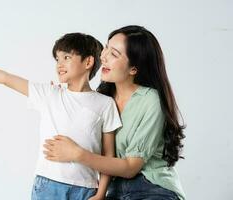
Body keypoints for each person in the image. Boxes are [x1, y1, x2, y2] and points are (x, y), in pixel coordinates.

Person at [0, 32, 122, 200]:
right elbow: (4, 78)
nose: (59, 64)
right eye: (57, 59)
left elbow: (108, 155)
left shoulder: (105, 104)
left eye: (66, 58)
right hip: (48, 186)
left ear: (88, 62)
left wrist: (100, 194)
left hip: (86, 189)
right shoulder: (49, 94)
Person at [43, 26, 186, 200]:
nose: (103, 57)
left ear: (133, 69)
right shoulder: (102, 100)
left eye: (114, 54)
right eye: (106, 48)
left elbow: (131, 167)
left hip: (152, 188)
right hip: (114, 191)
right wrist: (63, 98)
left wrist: (78, 154)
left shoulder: (150, 100)